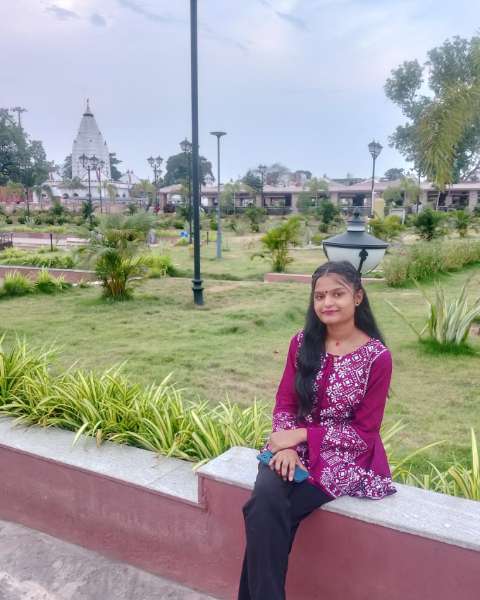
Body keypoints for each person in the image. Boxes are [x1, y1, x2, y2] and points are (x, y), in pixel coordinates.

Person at [238, 260, 397, 600]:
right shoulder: (302, 343)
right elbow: (285, 402)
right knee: (265, 504)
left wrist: (301, 436)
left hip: (342, 459)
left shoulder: (376, 358)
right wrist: (286, 447)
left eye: (337, 294)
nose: (327, 303)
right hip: (289, 449)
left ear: (357, 297)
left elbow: (364, 434)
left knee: (265, 518)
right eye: (320, 296)